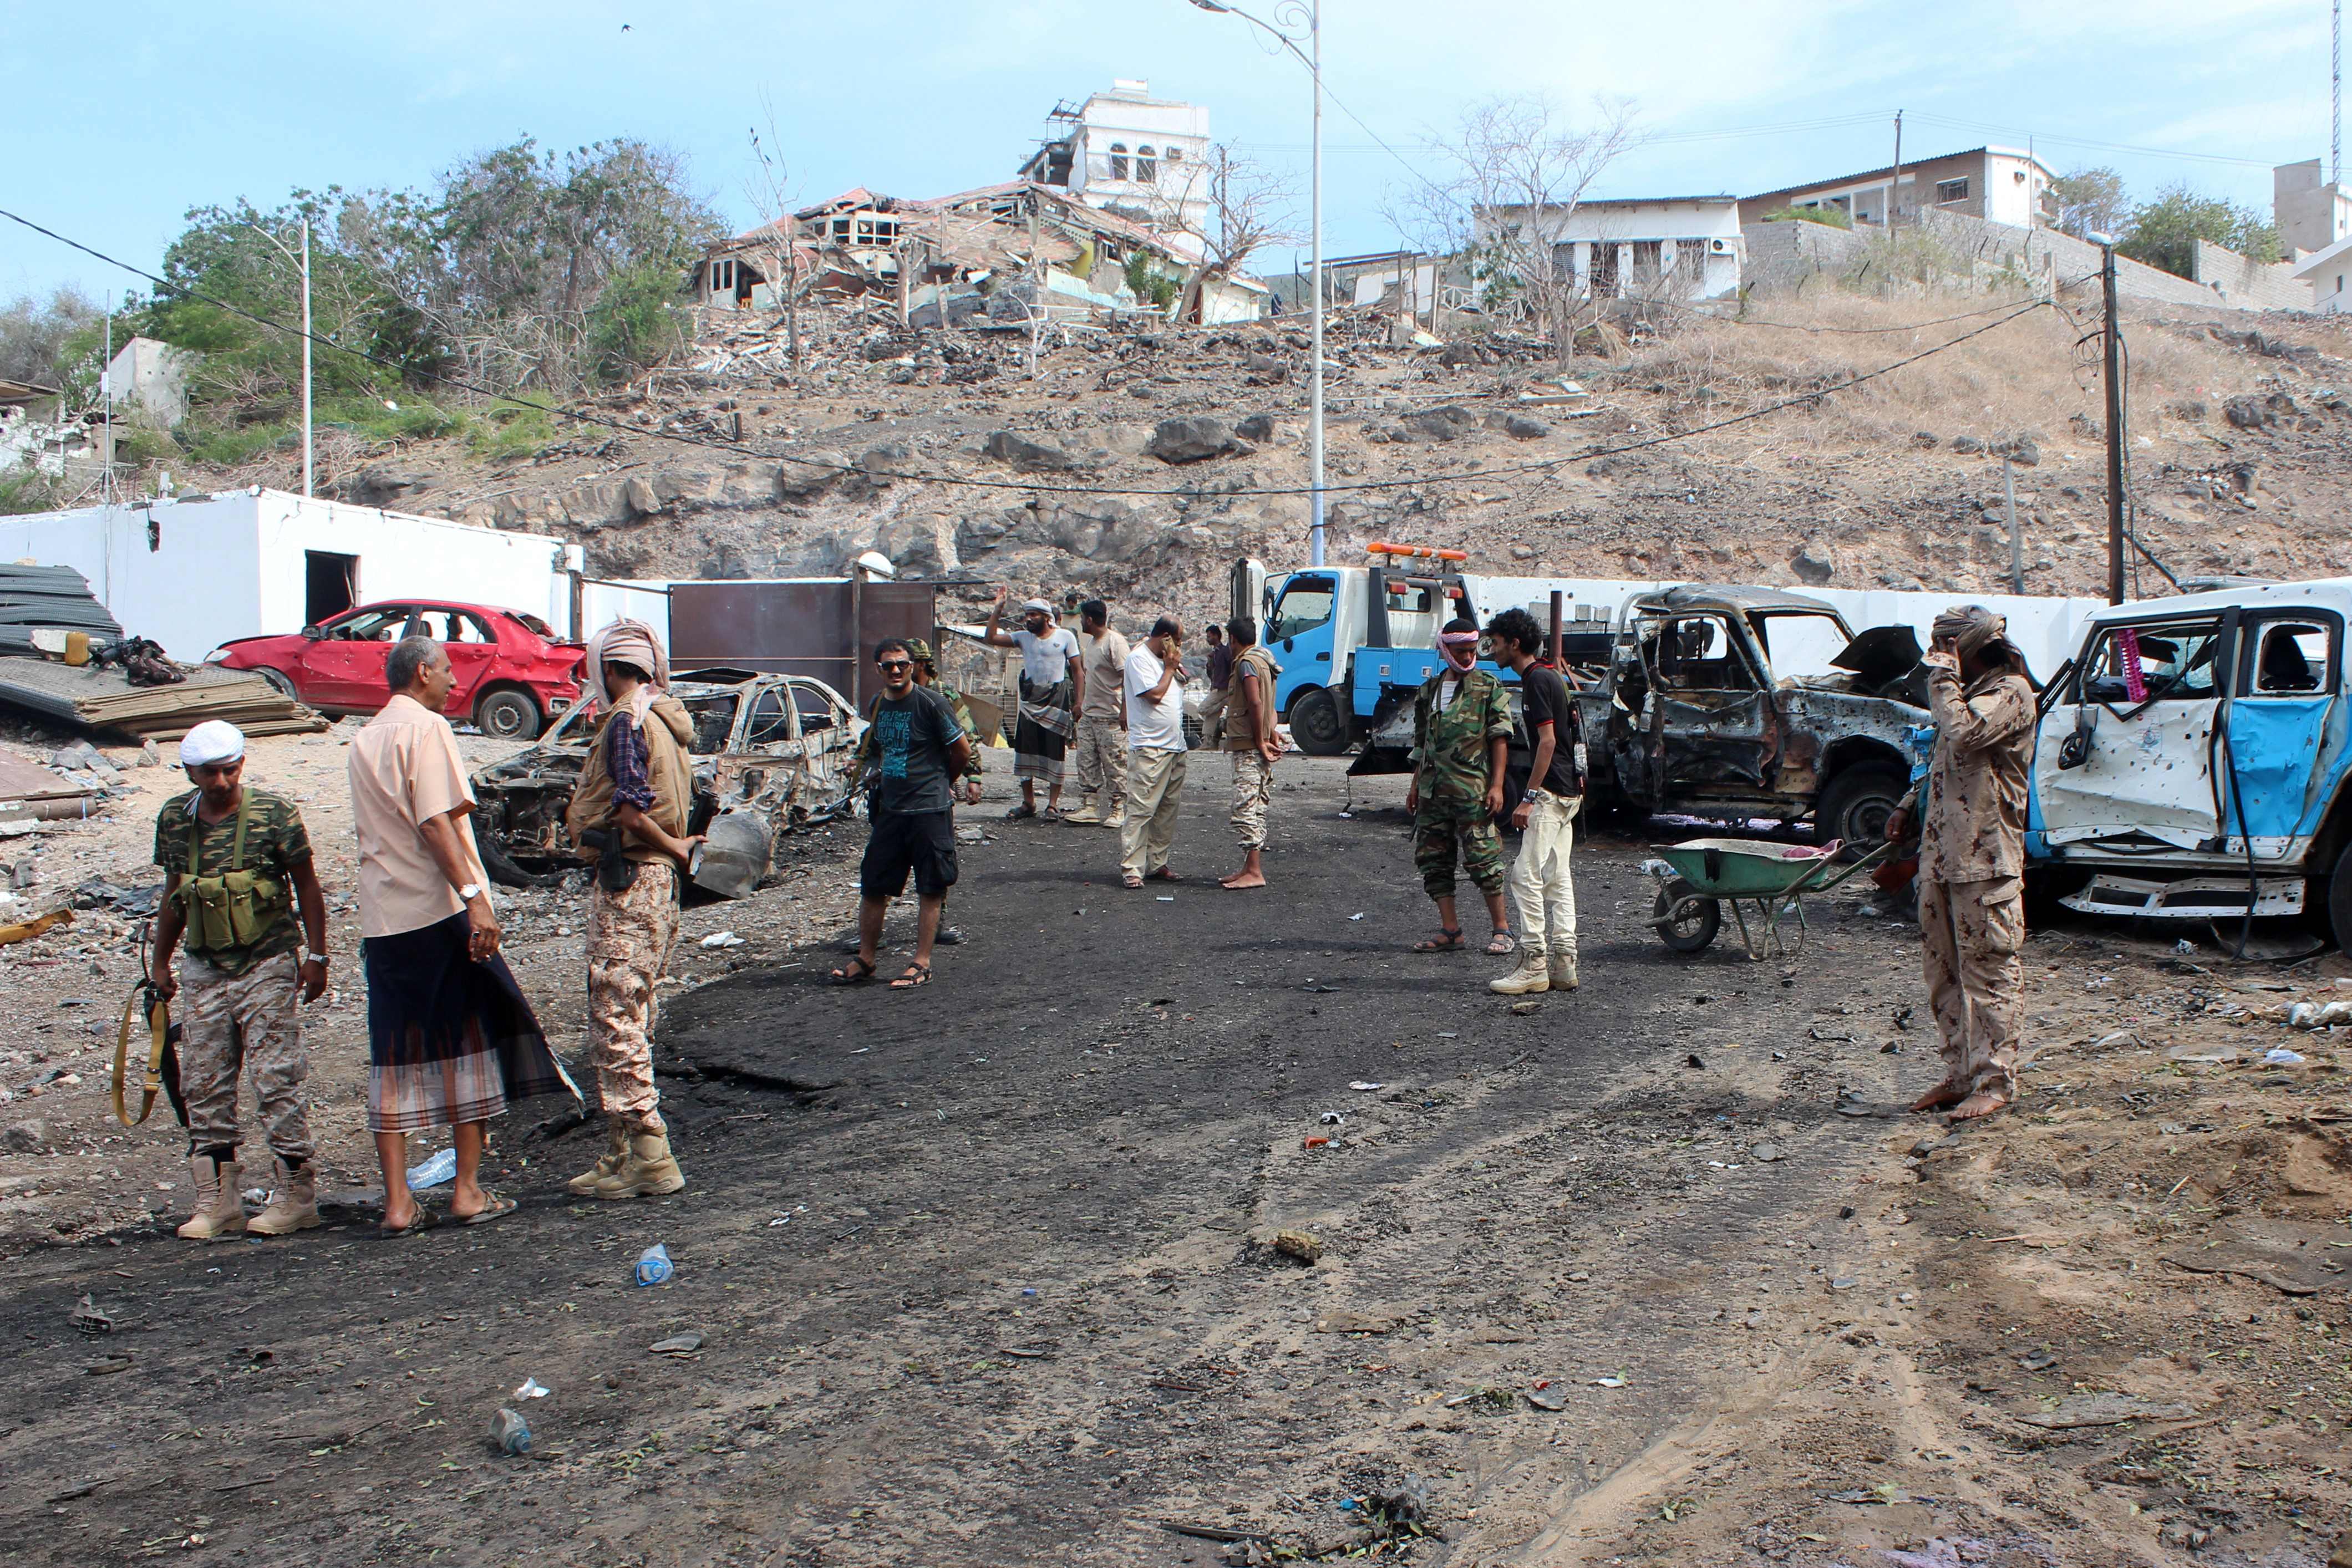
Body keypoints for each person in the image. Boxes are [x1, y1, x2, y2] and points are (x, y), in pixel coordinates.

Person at [348, 636, 577, 1234]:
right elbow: (434, 821)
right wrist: (475, 898)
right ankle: (467, 1191)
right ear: (423, 672)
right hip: (436, 909)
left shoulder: (365, 738)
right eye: (448, 670)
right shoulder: (426, 729)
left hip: (384, 918)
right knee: (468, 1041)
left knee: (393, 1052)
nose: (454, 681)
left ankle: (398, 1203)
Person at [148, 720, 331, 1241]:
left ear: (242, 765)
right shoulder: (176, 820)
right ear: (191, 772)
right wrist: (160, 963)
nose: (222, 781)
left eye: (230, 770)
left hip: (267, 961)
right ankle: (218, 1199)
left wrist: (316, 956)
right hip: (205, 966)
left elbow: (307, 885)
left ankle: (297, 1195)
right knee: (203, 1082)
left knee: (276, 1078)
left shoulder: (274, 814)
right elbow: (175, 893)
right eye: (210, 773)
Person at [562, 619, 703, 1201]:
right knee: (633, 1011)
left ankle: (650, 1151)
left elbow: (629, 809)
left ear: (609, 669)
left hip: (632, 879)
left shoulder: (627, 720)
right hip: (657, 885)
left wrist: (672, 845)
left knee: (615, 1014)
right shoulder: (665, 716)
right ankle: (620, 1151)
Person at [1884, 605, 2036, 1124]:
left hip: (1984, 863)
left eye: (1945, 647)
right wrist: (1908, 805)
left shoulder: (2010, 693)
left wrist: (1943, 678)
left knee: (1989, 975)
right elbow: (1946, 761)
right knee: (1943, 976)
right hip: (1942, 860)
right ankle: (1957, 1074)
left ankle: (1993, 1081)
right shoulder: (1965, 694)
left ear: (1967, 648)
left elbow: (1965, 734)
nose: (1936, 658)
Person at [833, 638, 974, 988]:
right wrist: (862, 767)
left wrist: (943, 782)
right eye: (888, 665)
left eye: (902, 664)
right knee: (873, 885)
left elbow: (962, 750)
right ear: (878, 668)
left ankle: (921, 963)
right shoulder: (878, 704)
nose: (895, 670)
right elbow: (875, 747)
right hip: (891, 810)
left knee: (930, 887)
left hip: (929, 809)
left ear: (913, 666)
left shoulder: (932, 703)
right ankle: (866, 959)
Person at [1486, 609, 1584, 994]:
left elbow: (1547, 742)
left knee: (1524, 876)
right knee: (1557, 877)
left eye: (1496, 643)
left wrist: (1528, 797)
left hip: (1550, 793)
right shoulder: (1549, 675)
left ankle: (1534, 964)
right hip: (1568, 791)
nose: (1492, 650)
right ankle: (1564, 963)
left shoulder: (1537, 681)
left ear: (1514, 644)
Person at [1408, 617, 1516, 956]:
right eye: (1460, 651)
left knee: (1484, 860)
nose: (1468, 657)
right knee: (1434, 860)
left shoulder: (1488, 687)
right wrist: (1414, 785)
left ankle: (1502, 930)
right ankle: (1451, 931)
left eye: (1472, 651)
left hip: (1473, 791)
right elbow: (1422, 743)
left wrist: (1497, 786)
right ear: (1445, 650)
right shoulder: (1429, 690)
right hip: (1433, 792)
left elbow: (1500, 738)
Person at [982, 589, 1080, 818]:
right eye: (1027, 615)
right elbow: (990, 639)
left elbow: (1078, 671)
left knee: (1055, 751)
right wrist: (998, 609)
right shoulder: (1023, 638)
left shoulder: (1065, 637)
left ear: (1046, 617)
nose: (1029, 619)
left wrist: (1079, 702)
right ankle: (1029, 803)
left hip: (1056, 700)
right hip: (1029, 703)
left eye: (1034, 615)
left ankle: (1052, 804)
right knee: (1025, 750)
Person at [1120, 616, 1189, 889]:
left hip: (1175, 745)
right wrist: (1170, 668)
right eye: (1177, 641)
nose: (1179, 647)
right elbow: (1154, 695)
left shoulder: (1165, 662)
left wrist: (1174, 667)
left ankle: (1157, 862)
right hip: (1150, 746)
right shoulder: (1139, 659)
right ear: (1165, 637)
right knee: (1142, 809)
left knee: (1167, 811)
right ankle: (1132, 868)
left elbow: (1180, 684)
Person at [1219, 615, 1283, 890]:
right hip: (1259, 744)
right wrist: (1270, 733)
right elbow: (1270, 706)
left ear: (1233, 639)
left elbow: (1256, 702)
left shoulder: (1246, 664)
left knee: (1244, 808)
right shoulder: (1265, 661)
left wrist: (1259, 740)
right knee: (1257, 806)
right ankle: (1248, 867)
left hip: (1248, 746)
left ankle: (1255, 871)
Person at [1064, 599, 1129, 829]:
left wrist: (1125, 710)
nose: (1081, 622)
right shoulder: (1091, 644)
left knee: (1115, 765)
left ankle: (1118, 809)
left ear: (1090, 620)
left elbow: (1128, 677)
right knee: (1086, 761)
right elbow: (1084, 675)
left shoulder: (1115, 642)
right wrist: (1080, 703)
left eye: (1082, 618)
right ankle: (1090, 807)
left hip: (1111, 717)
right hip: (1090, 716)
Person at [1201, 623, 1234, 746]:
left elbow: (1231, 667)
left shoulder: (1225, 651)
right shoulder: (1214, 654)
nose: (1208, 639)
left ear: (1216, 636)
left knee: (1203, 709)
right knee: (1211, 716)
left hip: (1223, 689)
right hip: (1217, 687)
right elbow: (1211, 673)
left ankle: (1223, 702)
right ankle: (1207, 742)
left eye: (1209, 637)